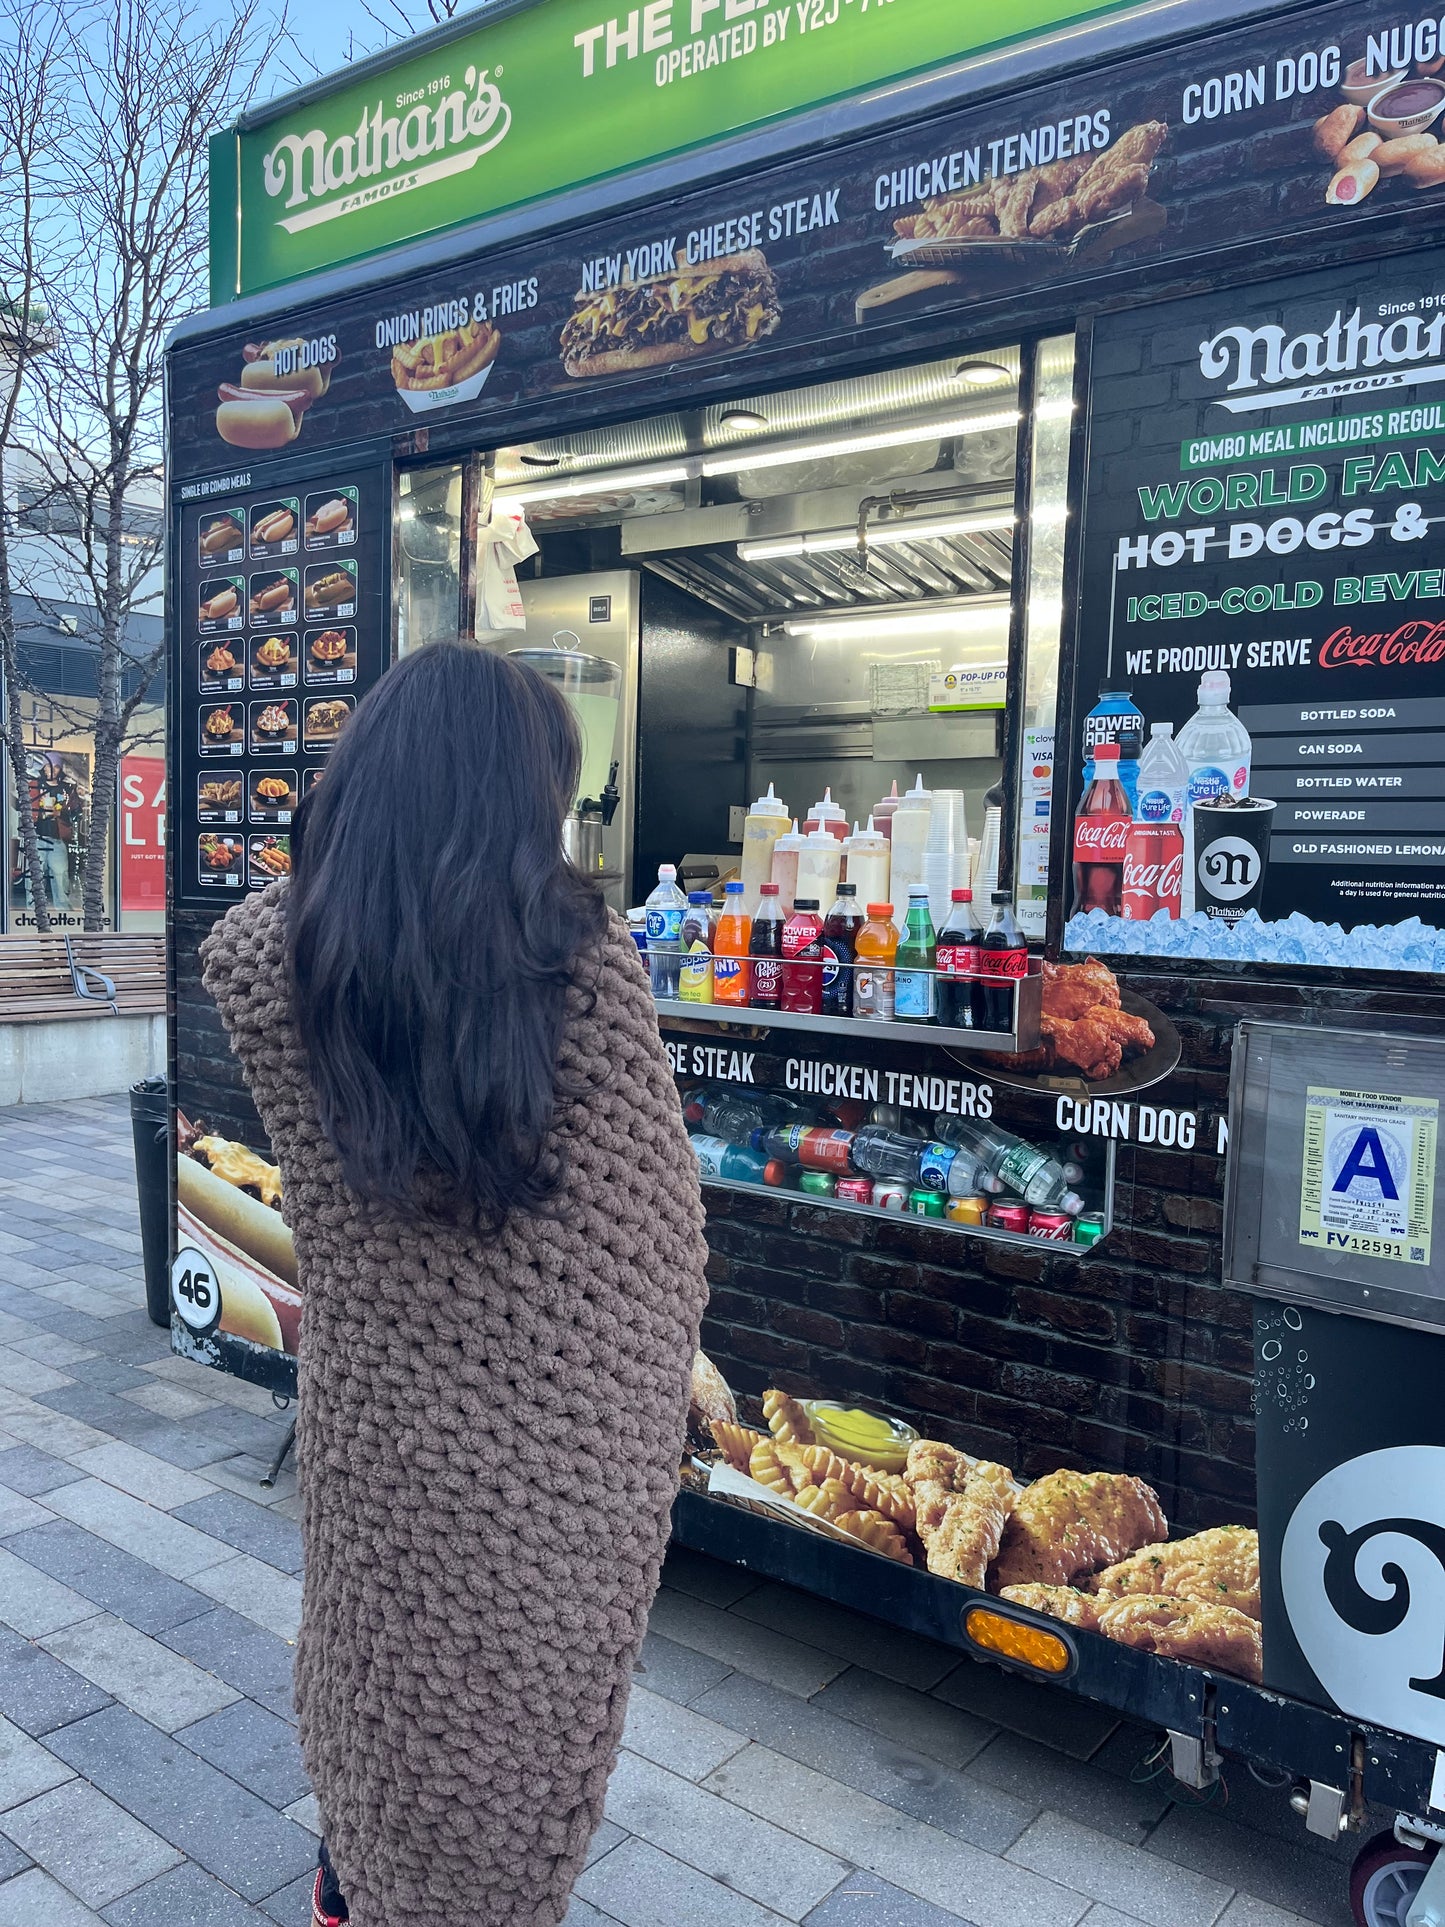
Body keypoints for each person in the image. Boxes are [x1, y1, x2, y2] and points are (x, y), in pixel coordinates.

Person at [199, 642, 709, 1927]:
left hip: (376, 1429)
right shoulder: (575, 970)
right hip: (547, 1470)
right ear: (508, 800)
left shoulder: (281, 966)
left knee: (378, 1696)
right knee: (503, 1746)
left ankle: (352, 1894)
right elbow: (650, 1245)